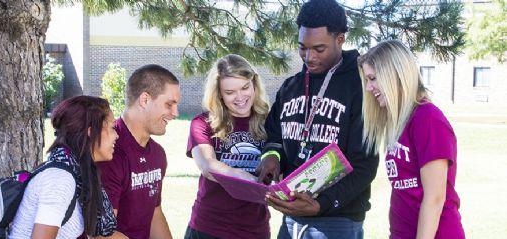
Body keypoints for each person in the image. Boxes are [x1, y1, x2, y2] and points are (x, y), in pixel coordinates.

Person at [255, 0, 380, 238]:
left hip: (337, 221)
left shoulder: (361, 87)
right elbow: (274, 135)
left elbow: (365, 165)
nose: (308, 57)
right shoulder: (290, 87)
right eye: (302, 47)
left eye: (319, 49)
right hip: (291, 216)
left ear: (340, 39)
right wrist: (272, 156)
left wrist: (323, 203)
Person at [358, 40, 465, 239]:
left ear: (395, 75)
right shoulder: (400, 122)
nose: (368, 88)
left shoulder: (428, 119)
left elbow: (435, 198)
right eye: (367, 79)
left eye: (372, 78)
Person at [9, 95, 123, 239]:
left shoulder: (77, 173)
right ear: (91, 131)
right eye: (112, 127)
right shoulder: (59, 180)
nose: (116, 135)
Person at [184, 54, 271, 239]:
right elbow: (208, 166)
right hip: (209, 228)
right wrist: (252, 181)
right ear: (219, 94)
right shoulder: (203, 123)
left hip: (255, 230)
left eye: (245, 87)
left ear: (254, 84)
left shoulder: (270, 122)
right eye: (230, 92)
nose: (240, 97)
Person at [98, 64, 181, 239]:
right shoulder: (108, 152)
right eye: (169, 104)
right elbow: (102, 234)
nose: (176, 113)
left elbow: (154, 212)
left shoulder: (158, 154)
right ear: (144, 100)